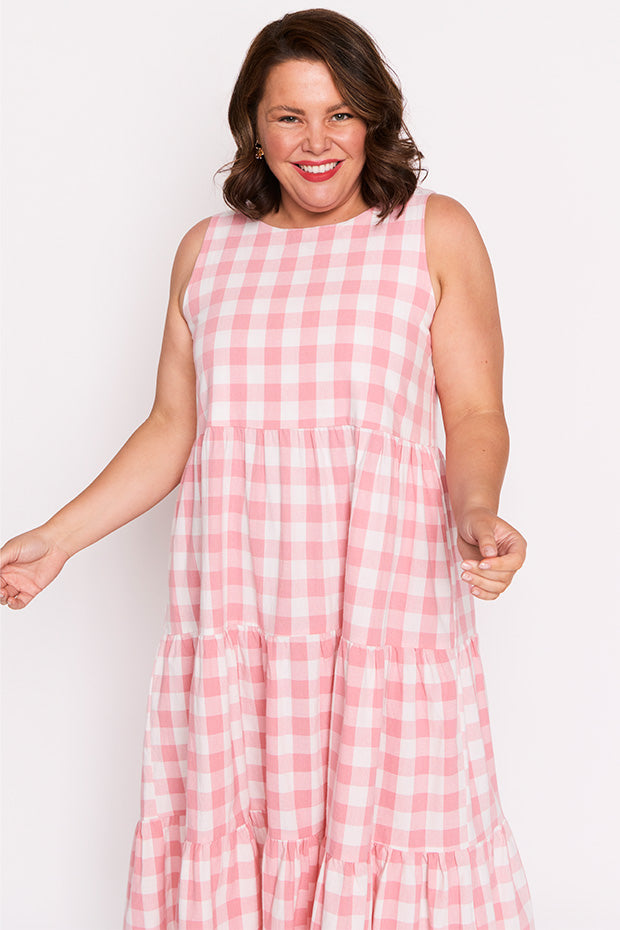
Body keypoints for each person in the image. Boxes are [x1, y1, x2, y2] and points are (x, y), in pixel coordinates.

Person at [0, 8, 536, 929]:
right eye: (289, 116)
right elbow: (174, 428)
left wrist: (478, 511)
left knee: (390, 826)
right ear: (254, 126)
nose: (316, 142)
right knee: (247, 826)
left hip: (380, 607)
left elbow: (476, 412)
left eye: (340, 114)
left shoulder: (430, 232)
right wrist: (57, 539)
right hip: (242, 611)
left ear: (374, 120)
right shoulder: (208, 253)